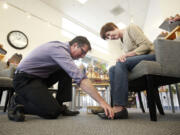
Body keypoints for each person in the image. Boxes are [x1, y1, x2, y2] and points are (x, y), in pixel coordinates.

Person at [8, 36, 114, 122]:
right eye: (82, 52)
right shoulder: (59, 49)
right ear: (75, 45)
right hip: (24, 80)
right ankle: (18, 102)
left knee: (66, 70)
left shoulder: (63, 52)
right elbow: (81, 79)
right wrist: (102, 102)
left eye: (84, 54)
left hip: (38, 79)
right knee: (52, 112)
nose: (82, 56)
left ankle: (60, 106)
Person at [98, 23, 155, 119]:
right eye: (107, 37)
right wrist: (125, 56)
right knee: (112, 69)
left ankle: (120, 108)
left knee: (121, 62)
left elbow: (146, 46)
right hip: (140, 60)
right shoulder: (122, 41)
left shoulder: (130, 28)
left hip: (151, 56)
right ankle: (114, 106)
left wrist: (127, 55)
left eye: (108, 34)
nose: (110, 37)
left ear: (113, 27)